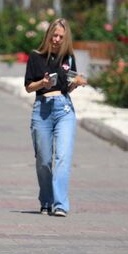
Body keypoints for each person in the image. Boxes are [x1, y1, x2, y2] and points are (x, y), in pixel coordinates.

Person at [24, 18, 87, 217]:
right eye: (55, 35)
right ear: (49, 34)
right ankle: (46, 200)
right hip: (41, 109)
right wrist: (42, 83)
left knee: (62, 157)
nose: (57, 39)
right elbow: (28, 87)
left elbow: (67, 86)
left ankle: (60, 204)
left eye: (61, 36)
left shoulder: (68, 57)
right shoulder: (35, 57)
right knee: (43, 160)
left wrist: (76, 83)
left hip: (64, 109)